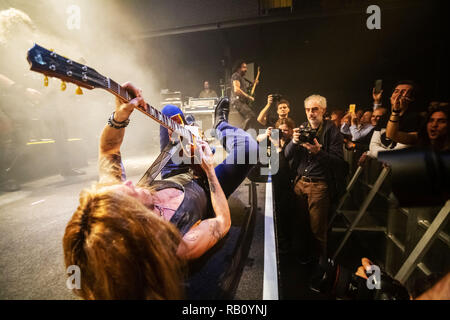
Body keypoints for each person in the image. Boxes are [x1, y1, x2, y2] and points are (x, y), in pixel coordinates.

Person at [63, 83, 258, 300]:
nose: (129, 184)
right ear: (136, 224)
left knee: (169, 112)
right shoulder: (177, 245)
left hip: (174, 174)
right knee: (249, 149)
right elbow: (223, 222)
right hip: (207, 185)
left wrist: (120, 116)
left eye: (120, 187)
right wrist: (208, 169)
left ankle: (192, 133)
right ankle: (221, 124)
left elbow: (109, 149)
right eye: (130, 195)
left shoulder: (111, 200)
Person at [285, 94, 345, 261]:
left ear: (323, 110)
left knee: (318, 230)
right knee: (300, 225)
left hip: (319, 186)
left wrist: (319, 153)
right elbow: (287, 154)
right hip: (300, 183)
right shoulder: (303, 127)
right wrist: (294, 142)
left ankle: (321, 267)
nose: (311, 113)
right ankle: (302, 260)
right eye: (308, 110)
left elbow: (339, 163)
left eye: (315, 109)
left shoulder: (332, 131)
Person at [230, 60, 258, 129]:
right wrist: (248, 97)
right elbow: (237, 90)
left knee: (250, 117)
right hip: (237, 101)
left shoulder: (241, 78)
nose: (246, 69)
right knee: (250, 115)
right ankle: (241, 132)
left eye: (246, 68)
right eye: (244, 67)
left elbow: (243, 90)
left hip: (241, 102)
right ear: (238, 68)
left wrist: (252, 85)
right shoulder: (236, 75)